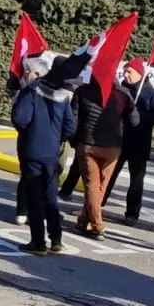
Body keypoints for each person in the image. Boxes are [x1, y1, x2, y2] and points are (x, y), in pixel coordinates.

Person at [11, 56, 76, 254]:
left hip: (31, 149)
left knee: (34, 197)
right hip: (51, 152)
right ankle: (56, 239)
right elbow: (70, 126)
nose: (25, 75)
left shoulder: (32, 91)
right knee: (50, 197)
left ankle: (38, 242)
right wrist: (56, 138)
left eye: (27, 72)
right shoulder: (63, 94)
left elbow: (20, 119)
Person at [62, 77, 132, 239]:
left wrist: (74, 140)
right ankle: (83, 221)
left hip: (88, 144)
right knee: (101, 186)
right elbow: (134, 121)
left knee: (92, 185)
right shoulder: (123, 93)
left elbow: (73, 119)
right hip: (113, 146)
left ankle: (97, 225)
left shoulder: (83, 91)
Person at [102, 61, 154, 226]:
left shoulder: (152, 94)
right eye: (124, 72)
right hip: (117, 140)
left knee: (136, 181)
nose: (125, 75)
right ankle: (96, 205)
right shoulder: (120, 90)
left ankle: (132, 214)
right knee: (107, 175)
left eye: (129, 72)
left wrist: (138, 114)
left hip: (139, 143)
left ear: (139, 73)